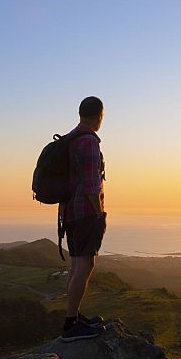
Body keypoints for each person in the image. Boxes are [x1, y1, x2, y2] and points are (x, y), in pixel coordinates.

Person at [58, 96, 107, 341]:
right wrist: (99, 214)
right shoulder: (88, 142)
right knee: (85, 266)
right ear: (100, 115)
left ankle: (74, 316)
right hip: (85, 213)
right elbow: (91, 186)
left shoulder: (71, 139)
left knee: (76, 265)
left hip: (69, 212)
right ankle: (70, 325)